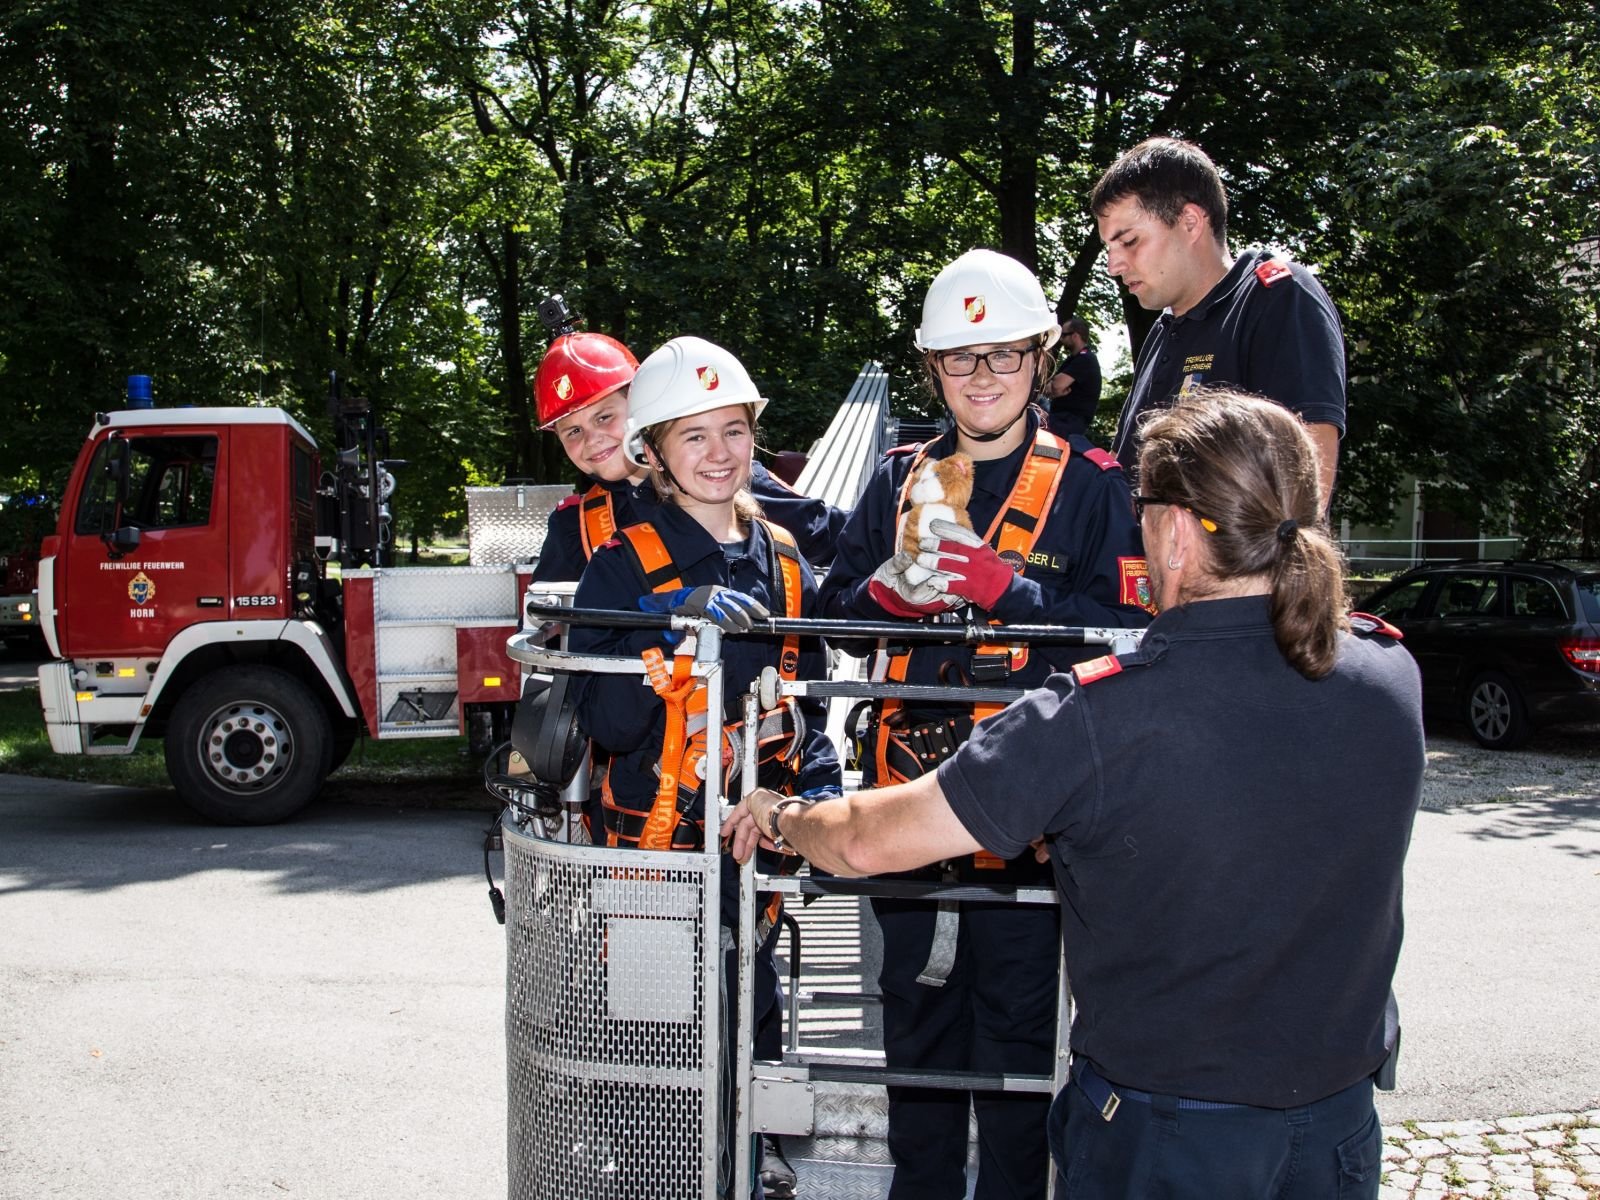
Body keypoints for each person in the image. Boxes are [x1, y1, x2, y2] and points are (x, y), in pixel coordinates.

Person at [727, 389, 1425, 1200]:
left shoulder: (1100, 717)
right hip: (1338, 1125)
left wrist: (779, 811)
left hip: (1166, 1133)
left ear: (1173, 532)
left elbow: (863, 842)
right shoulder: (1390, 675)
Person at [816, 248, 1153, 1200]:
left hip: (1033, 813)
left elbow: (1135, 633)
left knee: (1015, 1037)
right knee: (916, 1027)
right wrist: (882, 602)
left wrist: (1018, 594)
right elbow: (832, 610)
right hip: (909, 796)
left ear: (1040, 358)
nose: (982, 376)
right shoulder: (897, 478)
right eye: (960, 358)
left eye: (1003, 354)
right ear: (933, 369)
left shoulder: (1092, 485)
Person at [568, 335, 841, 1200]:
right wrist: (668, 624)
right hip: (655, 863)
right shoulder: (618, 569)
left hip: (750, 854)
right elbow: (609, 725)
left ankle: (751, 1165)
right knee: (654, 1067)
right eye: (694, 436)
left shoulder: (785, 563)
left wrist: (817, 801)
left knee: (751, 1028)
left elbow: (802, 711)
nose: (720, 454)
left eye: (735, 430)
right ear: (651, 452)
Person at [1092, 137, 1346, 506]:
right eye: (1109, 248)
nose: (1113, 266)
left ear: (1190, 222)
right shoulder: (1165, 329)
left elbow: (1307, 481)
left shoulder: (1276, 298)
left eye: (1129, 241)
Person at [530, 326, 845, 584]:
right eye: (573, 431)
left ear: (639, 405)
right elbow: (544, 624)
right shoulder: (575, 526)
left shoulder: (727, 476)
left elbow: (836, 537)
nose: (592, 440)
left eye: (604, 417)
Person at [1041, 317, 1102, 438]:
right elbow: (1050, 387)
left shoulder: (1086, 359)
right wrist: (1055, 387)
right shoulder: (1073, 359)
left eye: (1064, 335)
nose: (1061, 339)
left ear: (1075, 336)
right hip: (1061, 418)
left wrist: (1055, 386)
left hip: (1068, 421)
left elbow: (1056, 385)